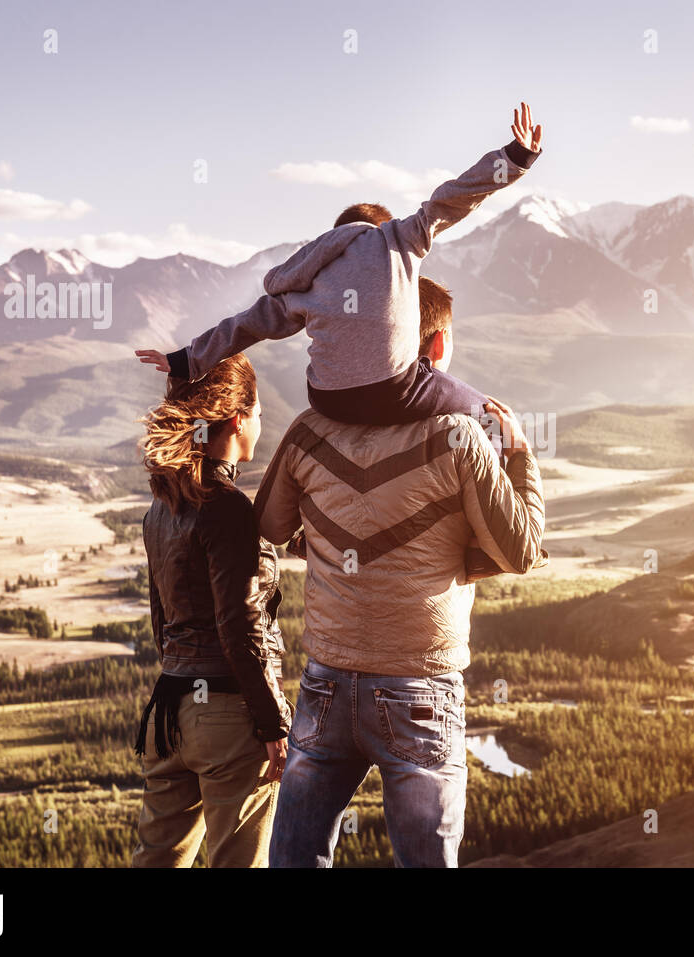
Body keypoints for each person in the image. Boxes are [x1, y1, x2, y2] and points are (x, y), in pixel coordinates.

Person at [254, 275, 546, 867]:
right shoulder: (461, 438)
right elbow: (521, 549)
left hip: (327, 680)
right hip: (420, 684)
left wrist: (329, 542)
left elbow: (266, 528)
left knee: (295, 857)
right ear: (435, 347)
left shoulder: (310, 431)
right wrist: (517, 452)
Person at [135, 101, 544, 427]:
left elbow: (246, 325)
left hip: (328, 400)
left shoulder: (306, 278)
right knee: (491, 417)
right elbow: (452, 199)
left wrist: (185, 360)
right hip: (395, 388)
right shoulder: (397, 238)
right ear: (380, 225)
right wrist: (514, 158)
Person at [131, 353, 292, 868]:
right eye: (260, 412)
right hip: (228, 716)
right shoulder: (227, 508)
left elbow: (162, 620)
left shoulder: (162, 508)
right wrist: (273, 723)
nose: (262, 423)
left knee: (157, 861)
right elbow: (240, 623)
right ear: (238, 418)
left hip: (170, 713)